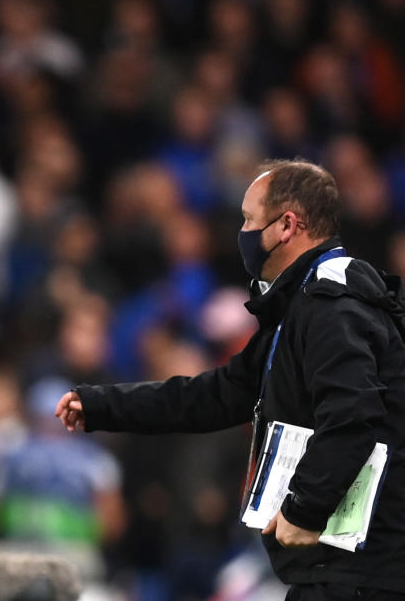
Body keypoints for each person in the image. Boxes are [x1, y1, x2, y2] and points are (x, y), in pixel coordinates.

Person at [57, 160, 405, 599]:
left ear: (286, 226)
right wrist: (103, 405)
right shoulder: (298, 306)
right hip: (336, 570)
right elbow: (214, 397)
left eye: (248, 219)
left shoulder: (332, 303)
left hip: (361, 573)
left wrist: (304, 510)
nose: (241, 232)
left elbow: (353, 415)